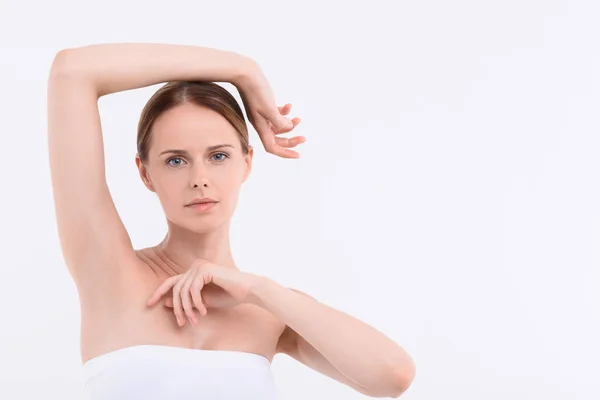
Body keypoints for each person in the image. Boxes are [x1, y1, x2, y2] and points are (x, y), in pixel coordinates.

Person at [47, 43, 416, 399]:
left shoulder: (268, 310)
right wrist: (240, 69)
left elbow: (392, 377)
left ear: (247, 162)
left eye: (218, 156)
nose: (199, 178)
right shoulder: (109, 274)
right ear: (145, 174)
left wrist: (259, 291)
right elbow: (72, 72)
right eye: (176, 160)